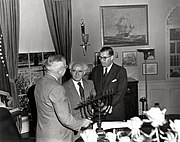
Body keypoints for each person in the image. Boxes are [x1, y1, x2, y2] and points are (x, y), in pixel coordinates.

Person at [34, 55, 92, 142]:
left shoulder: (40, 82)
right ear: (60, 70)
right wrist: (82, 123)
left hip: (43, 134)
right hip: (58, 136)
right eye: (65, 67)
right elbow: (65, 119)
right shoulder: (57, 88)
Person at [90, 46, 128, 121]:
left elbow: (120, 93)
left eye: (104, 58)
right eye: (100, 58)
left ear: (111, 57)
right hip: (99, 111)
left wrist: (108, 104)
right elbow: (93, 88)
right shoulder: (95, 70)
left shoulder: (120, 71)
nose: (102, 60)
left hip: (115, 111)